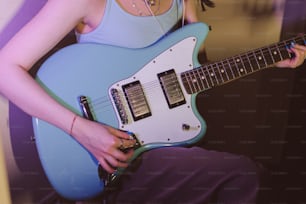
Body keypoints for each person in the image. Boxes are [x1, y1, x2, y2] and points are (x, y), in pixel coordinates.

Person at [0, 0, 305, 203]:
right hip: (111, 152)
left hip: (161, 137)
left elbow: (190, 67)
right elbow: (5, 69)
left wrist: (267, 59)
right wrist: (81, 129)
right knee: (246, 178)